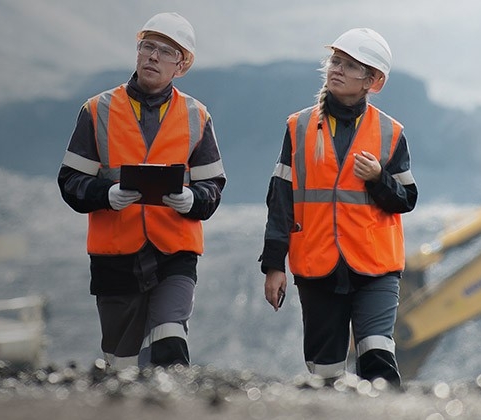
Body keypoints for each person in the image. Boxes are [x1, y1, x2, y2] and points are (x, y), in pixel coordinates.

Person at [58, 12, 226, 369]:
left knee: (170, 343)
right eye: (148, 46)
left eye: (166, 52)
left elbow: (213, 185)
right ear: (137, 52)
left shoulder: (197, 116)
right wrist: (105, 194)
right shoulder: (96, 110)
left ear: (181, 66)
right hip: (115, 258)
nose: (153, 56)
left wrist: (192, 200)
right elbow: (70, 181)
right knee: (122, 366)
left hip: (174, 254)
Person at [259, 28, 416, 386]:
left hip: (375, 267)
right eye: (335, 61)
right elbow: (281, 199)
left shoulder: (391, 132)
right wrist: (273, 264)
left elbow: (406, 198)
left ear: (372, 81)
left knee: (377, 357)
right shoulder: (298, 127)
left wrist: (378, 178)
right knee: (325, 375)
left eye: (349, 65)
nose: (337, 69)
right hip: (318, 267)